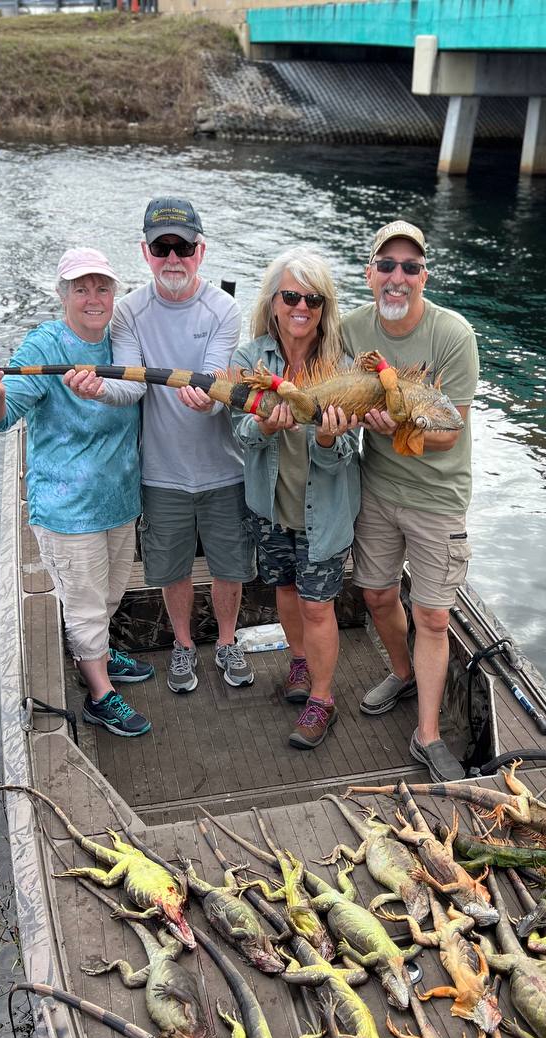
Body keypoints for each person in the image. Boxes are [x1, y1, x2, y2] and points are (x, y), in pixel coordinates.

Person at [0, 248, 152, 738]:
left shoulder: (122, 339)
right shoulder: (44, 347)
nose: (93, 298)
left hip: (120, 498)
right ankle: (100, 693)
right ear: (63, 295)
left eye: (102, 287)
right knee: (83, 602)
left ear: (114, 293)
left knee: (110, 591)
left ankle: (98, 649)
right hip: (67, 507)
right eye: (80, 288)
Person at [71, 198, 255, 696]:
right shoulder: (127, 312)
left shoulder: (225, 309)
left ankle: (227, 641)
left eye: (184, 247)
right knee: (171, 570)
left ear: (201, 250)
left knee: (230, 568)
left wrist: (209, 402)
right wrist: (98, 387)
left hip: (224, 470)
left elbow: (217, 382)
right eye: (161, 247)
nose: (173, 258)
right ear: (146, 252)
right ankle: (182, 646)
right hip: (161, 474)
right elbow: (130, 385)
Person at [341, 220, 479, 782]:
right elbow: (342, 398)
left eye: (411, 267)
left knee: (433, 614)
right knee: (375, 595)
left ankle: (427, 733)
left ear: (425, 275)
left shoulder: (453, 335)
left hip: (436, 496)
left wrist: (392, 417)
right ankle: (402, 672)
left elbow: (448, 431)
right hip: (377, 487)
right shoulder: (352, 329)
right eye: (388, 266)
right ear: (370, 272)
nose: (398, 278)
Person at [232, 249, 359, 750]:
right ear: (274, 302)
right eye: (291, 296)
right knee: (285, 590)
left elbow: (349, 449)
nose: (301, 306)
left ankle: (322, 700)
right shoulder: (250, 359)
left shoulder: (342, 367)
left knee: (317, 606)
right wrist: (264, 425)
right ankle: (299, 663)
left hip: (323, 513)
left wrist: (327, 439)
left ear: (325, 308)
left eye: (313, 298)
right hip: (271, 505)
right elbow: (239, 433)